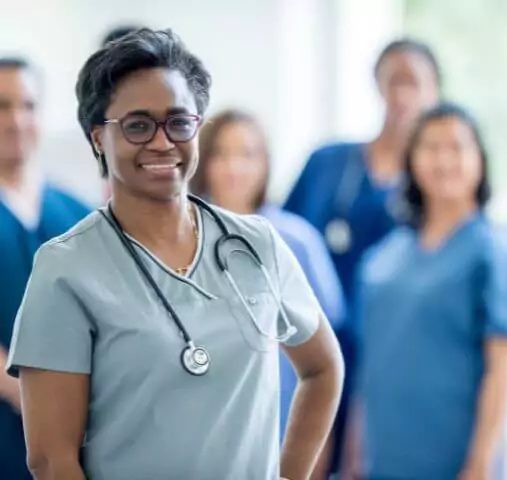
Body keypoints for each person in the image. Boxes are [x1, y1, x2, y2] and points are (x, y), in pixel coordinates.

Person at [6, 29, 343, 480]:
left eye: (179, 122)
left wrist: (291, 474)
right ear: (97, 139)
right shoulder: (66, 268)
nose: (163, 142)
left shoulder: (257, 243)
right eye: (138, 125)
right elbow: (51, 460)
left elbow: (323, 369)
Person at [347, 102, 507, 479]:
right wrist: (352, 454)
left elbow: (505, 367)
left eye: (457, 147)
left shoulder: (493, 253)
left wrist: (480, 463)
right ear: (412, 161)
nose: (443, 159)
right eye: (430, 147)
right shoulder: (384, 256)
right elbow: (370, 364)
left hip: (455, 461)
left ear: (479, 160)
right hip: (383, 459)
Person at [284, 38, 442, 471]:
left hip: (393, 353)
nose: (402, 95)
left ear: (435, 92)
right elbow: (279, 242)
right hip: (311, 340)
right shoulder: (328, 164)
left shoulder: (438, 182)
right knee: (302, 457)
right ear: (376, 86)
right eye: (393, 81)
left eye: (414, 82)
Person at [191, 108, 346, 451]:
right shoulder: (184, 238)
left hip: (282, 428)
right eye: (222, 154)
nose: (234, 167)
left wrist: (317, 451)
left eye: (247, 154)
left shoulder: (297, 242)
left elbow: (328, 354)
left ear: (265, 164)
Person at [0, 57, 90, 480]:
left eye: (28, 105)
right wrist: (22, 393)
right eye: (2, 106)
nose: (16, 120)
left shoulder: (78, 214)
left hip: (77, 426)